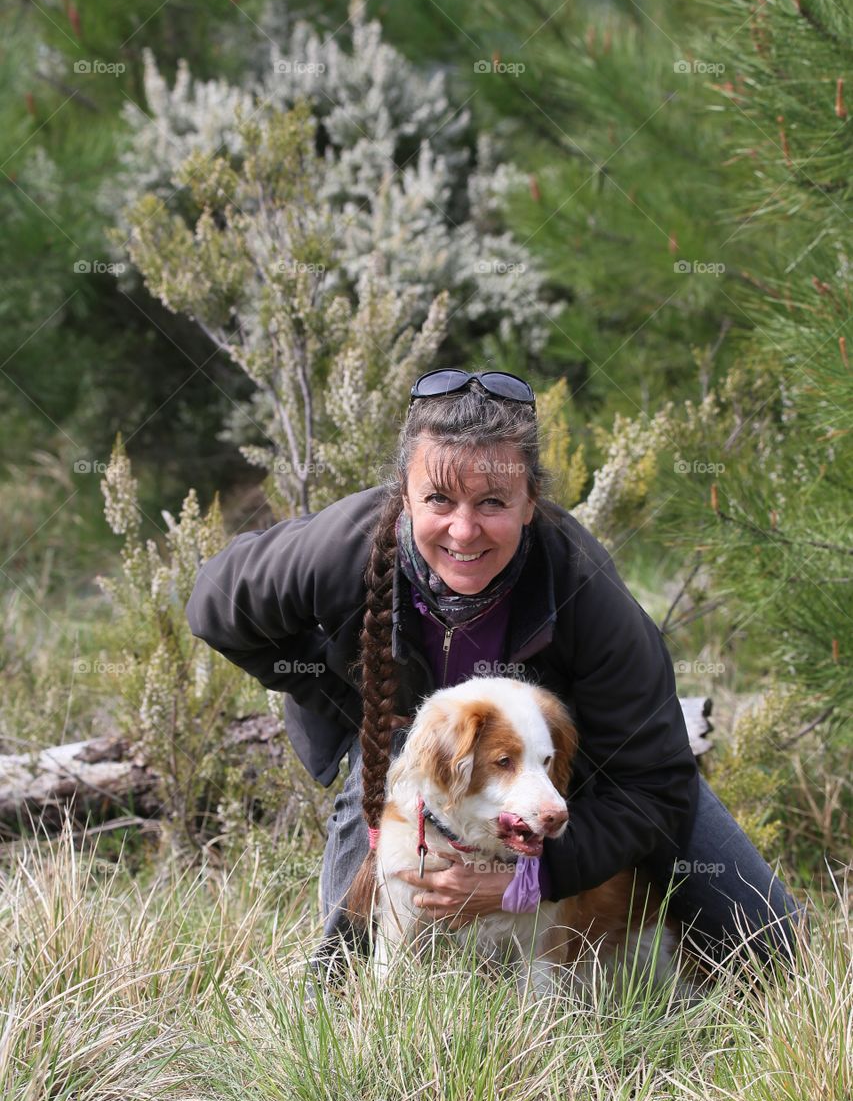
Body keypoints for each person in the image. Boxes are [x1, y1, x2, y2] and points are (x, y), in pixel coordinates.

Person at [185, 368, 805, 980]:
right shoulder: (345, 546)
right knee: (345, 975)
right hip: (406, 749)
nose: (463, 530)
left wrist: (524, 882)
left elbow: (656, 786)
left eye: (492, 502)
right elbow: (216, 603)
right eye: (438, 499)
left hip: (568, 772)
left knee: (774, 949)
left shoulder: (587, 593)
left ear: (531, 500)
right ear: (403, 492)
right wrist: (347, 700)